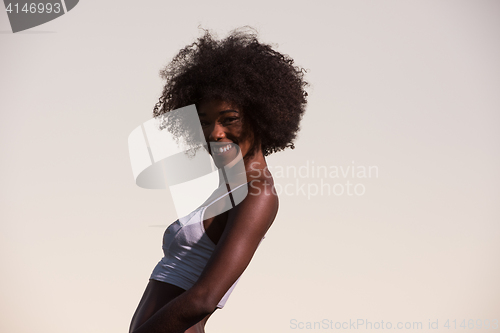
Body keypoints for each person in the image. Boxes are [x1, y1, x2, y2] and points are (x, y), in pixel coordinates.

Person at [129, 27, 308, 333]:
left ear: (261, 116)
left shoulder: (257, 193)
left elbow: (204, 299)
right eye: (204, 121)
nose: (215, 133)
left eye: (229, 119)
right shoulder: (229, 185)